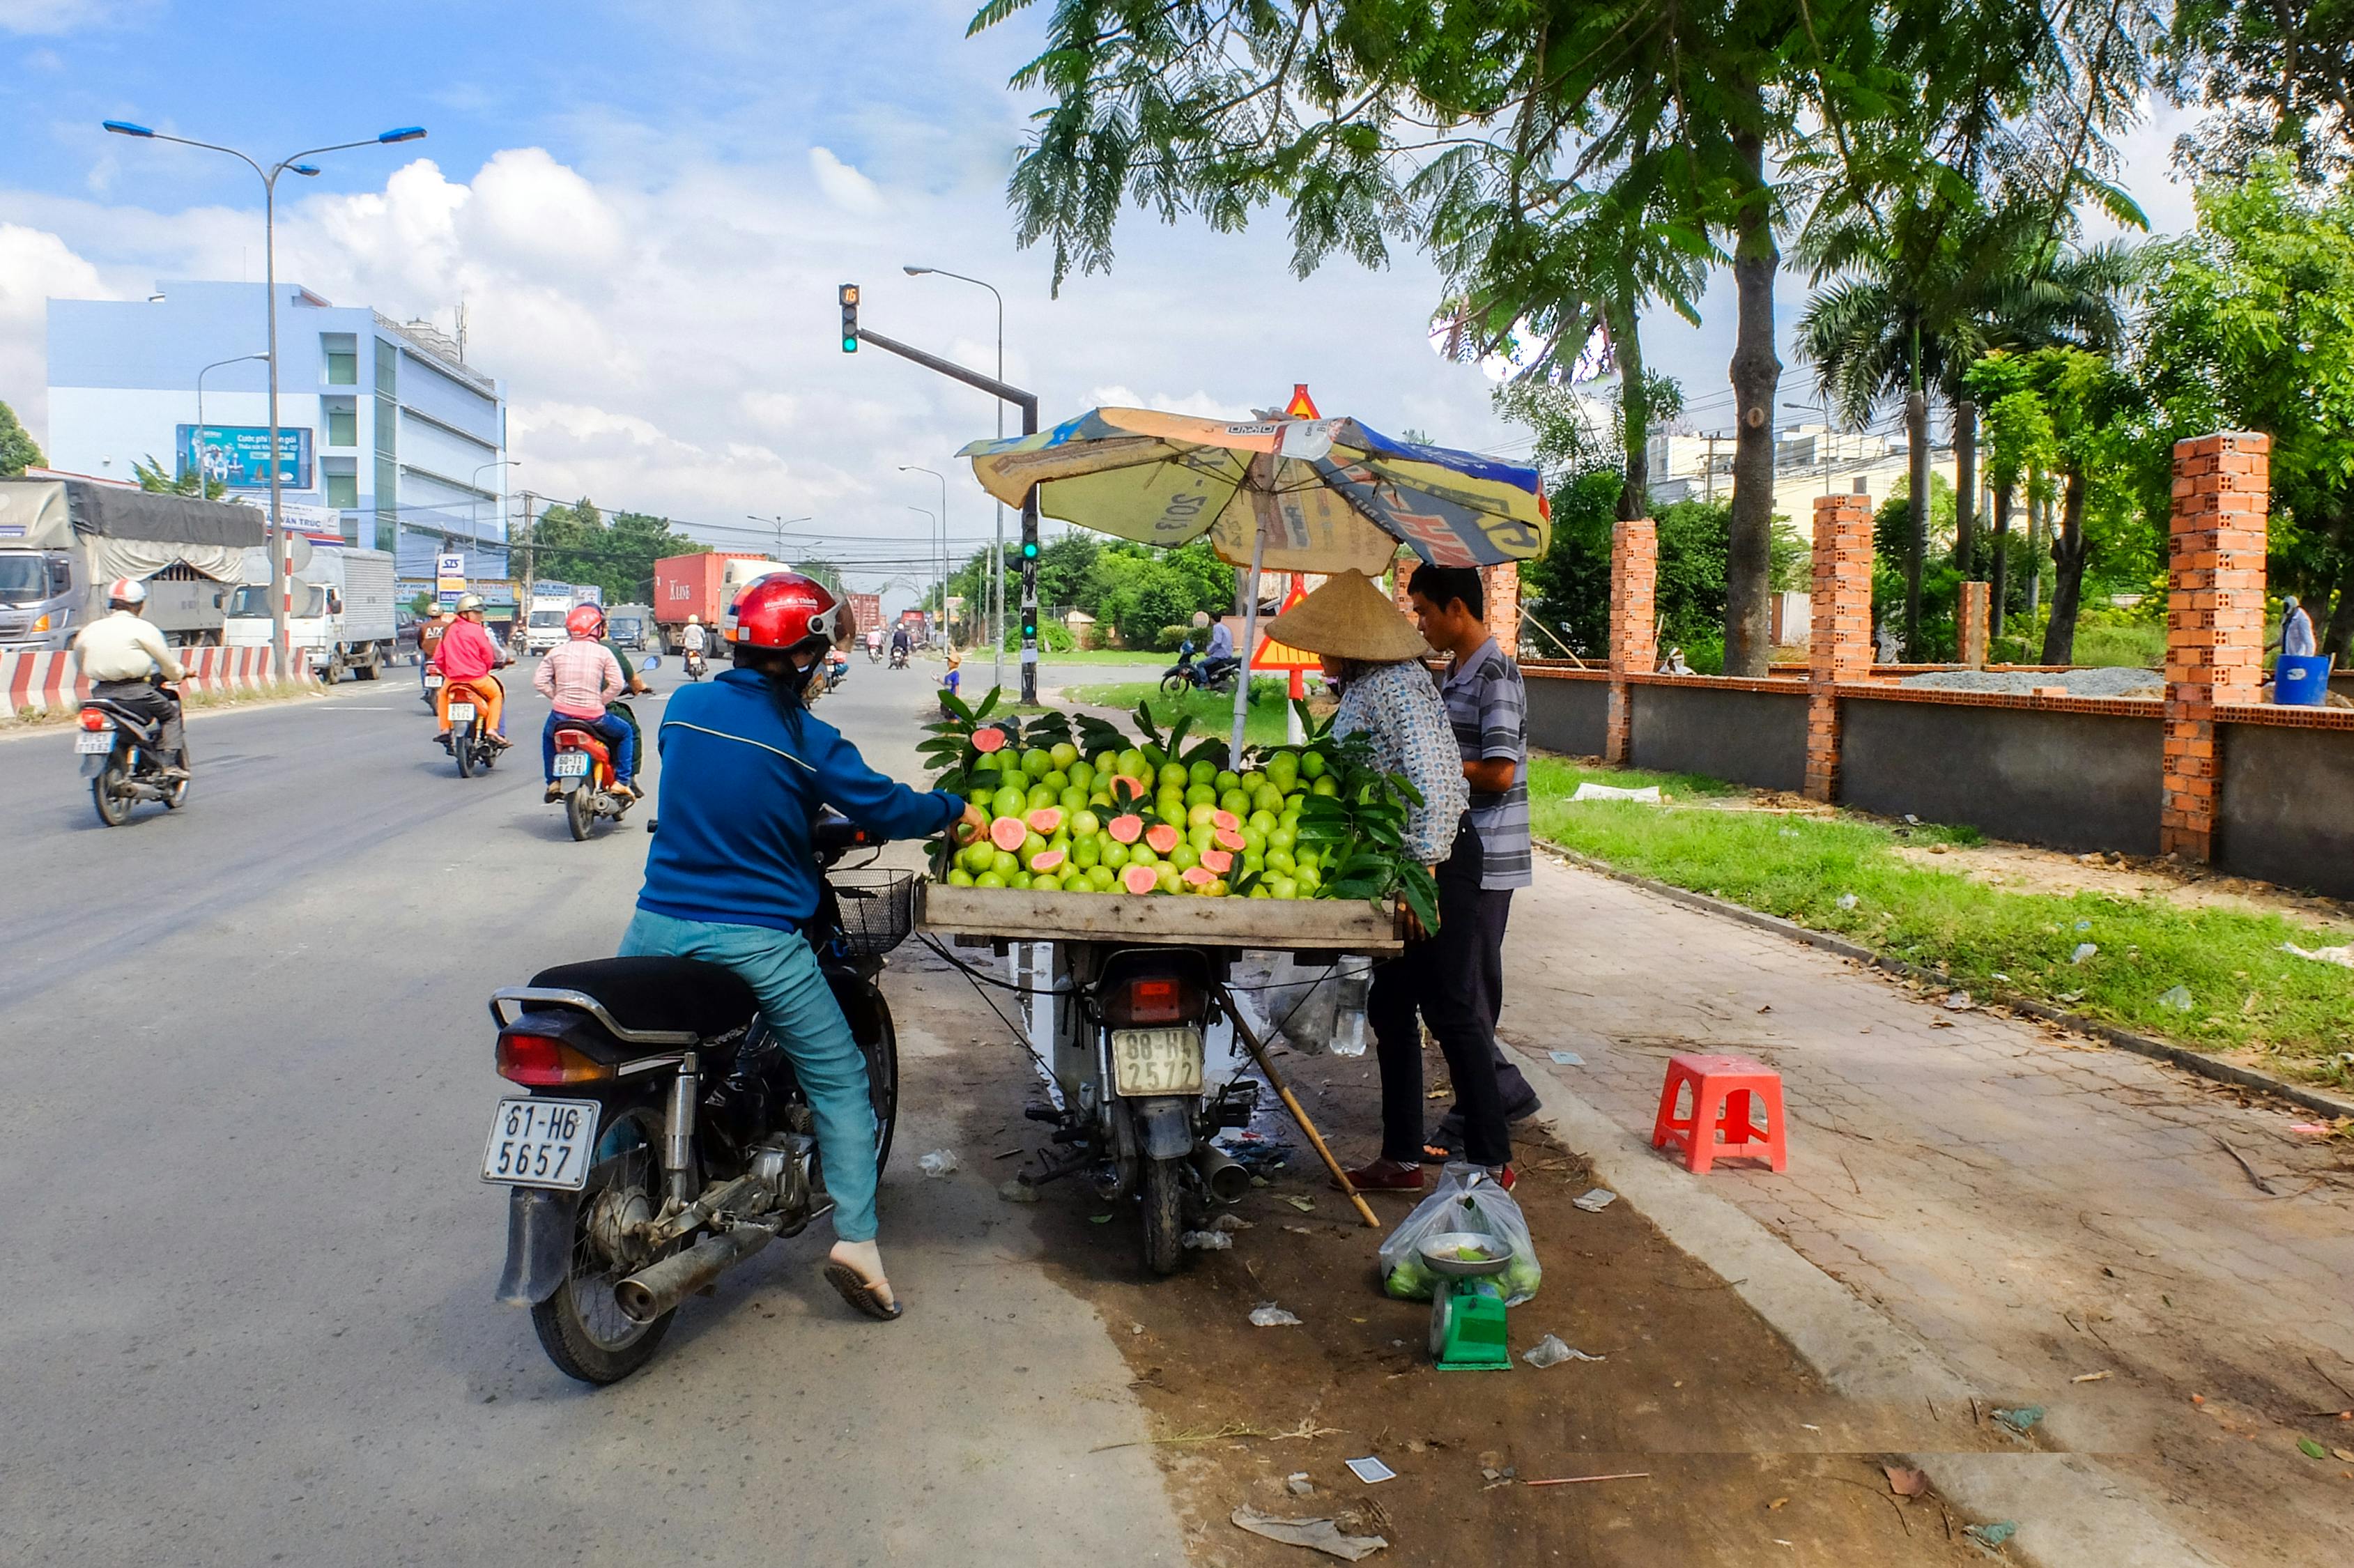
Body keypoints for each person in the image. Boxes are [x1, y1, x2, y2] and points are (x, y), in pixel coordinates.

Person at [622, 572, 985, 1320]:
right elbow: (887, 805)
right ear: (808, 654)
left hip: (653, 925)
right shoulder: (807, 739)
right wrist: (951, 809)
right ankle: (856, 1243)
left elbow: (718, 790)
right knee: (840, 1080)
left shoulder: (685, 707)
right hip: (755, 940)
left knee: (635, 1068)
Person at [1259, 570, 1507, 1194]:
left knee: (1450, 1007)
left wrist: (1423, 870)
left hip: (1438, 860)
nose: (1318, 657)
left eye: (1323, 645)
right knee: (1392, 1006)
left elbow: (1435, 777)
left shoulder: (1396, 684)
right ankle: (1401, 1156)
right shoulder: (1367, 687)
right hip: (1404, 865)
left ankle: (1491, 1159)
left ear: (1349, 643)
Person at [1408, 564, 1543, 1161]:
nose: (1420, 624)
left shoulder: (1496, 675)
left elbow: (1501, 770)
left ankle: (1477, 1110)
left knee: (1467, 989)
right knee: (1456, 986)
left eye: (1425, 611)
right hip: (1459, 848)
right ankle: (1498, 1090)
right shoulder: (1452, 671)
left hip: (1488, 853)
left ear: (1456, 608)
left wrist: (1431, 767)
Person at [71, 578, 190, 780]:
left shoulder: (90, 629)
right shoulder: (144, 629)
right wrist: (178, 674)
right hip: (137, 693)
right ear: (140, 605)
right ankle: (168, 764)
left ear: (111, 604)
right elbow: (167, 664)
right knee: (170, 715)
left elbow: (79, 661)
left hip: (100, 695)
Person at [536, 604, 637, 802]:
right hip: (594, 717)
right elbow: (617, 684)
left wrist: (557, 696)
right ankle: (622, 782)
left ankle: (553, 781)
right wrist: (600, 701)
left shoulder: (556, 652)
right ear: (596, 629)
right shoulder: (603, 653)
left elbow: (539, 681)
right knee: (626, 732)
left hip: (560, 717)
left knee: (549, 737)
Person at [431, 593, 509, 748]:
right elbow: (487, 655)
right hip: (478, 679)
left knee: (442, 696)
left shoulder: (448, 631)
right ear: (465, 613)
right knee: (496, 695)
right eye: (477, 612)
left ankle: (445, 729)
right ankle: (492, 730)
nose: (481, 616)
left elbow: (439, 658)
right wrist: (484, 669)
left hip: (453, 680)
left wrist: (449, 672)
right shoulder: (478, 630)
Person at [417, 606, 452, 689]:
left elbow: (420, 641)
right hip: (444, 656)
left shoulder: (424, 626)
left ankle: (425, 688)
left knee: (423, 668)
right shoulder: (447, 626)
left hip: (429, 656)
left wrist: (424, 648)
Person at [2279, 595, 2317, 659]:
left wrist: (2307, 660)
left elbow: (2309, 642)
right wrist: (2270, 647)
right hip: (2287, 656)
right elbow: (2285, 636)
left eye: (2286, 606)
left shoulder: (2302, 619)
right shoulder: (2287, 617)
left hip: (2297, 656)